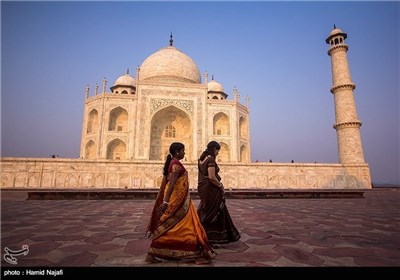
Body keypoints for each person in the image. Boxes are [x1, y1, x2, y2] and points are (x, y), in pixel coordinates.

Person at [145, 142, 214, 265]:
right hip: (176, 201)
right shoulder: (176, 165)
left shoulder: (173, 163)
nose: (184, 153)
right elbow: (171, 184)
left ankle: (162, 251)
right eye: (183, 151)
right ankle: (192, 251)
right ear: (177, 152)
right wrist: (166, 201)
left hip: (180, 200)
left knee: (176, 227)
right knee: (176, 226)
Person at [197, 141, 241, 245]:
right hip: (211, 189)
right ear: (214, 149)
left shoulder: (201, 159)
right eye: (217, 150)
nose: (218, 153)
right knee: (214, 211)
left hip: (203, 189)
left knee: (206, 210)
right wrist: (220, 185)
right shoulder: (211, 159)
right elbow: (212, 177)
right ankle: (208, 235)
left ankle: (201, 233)